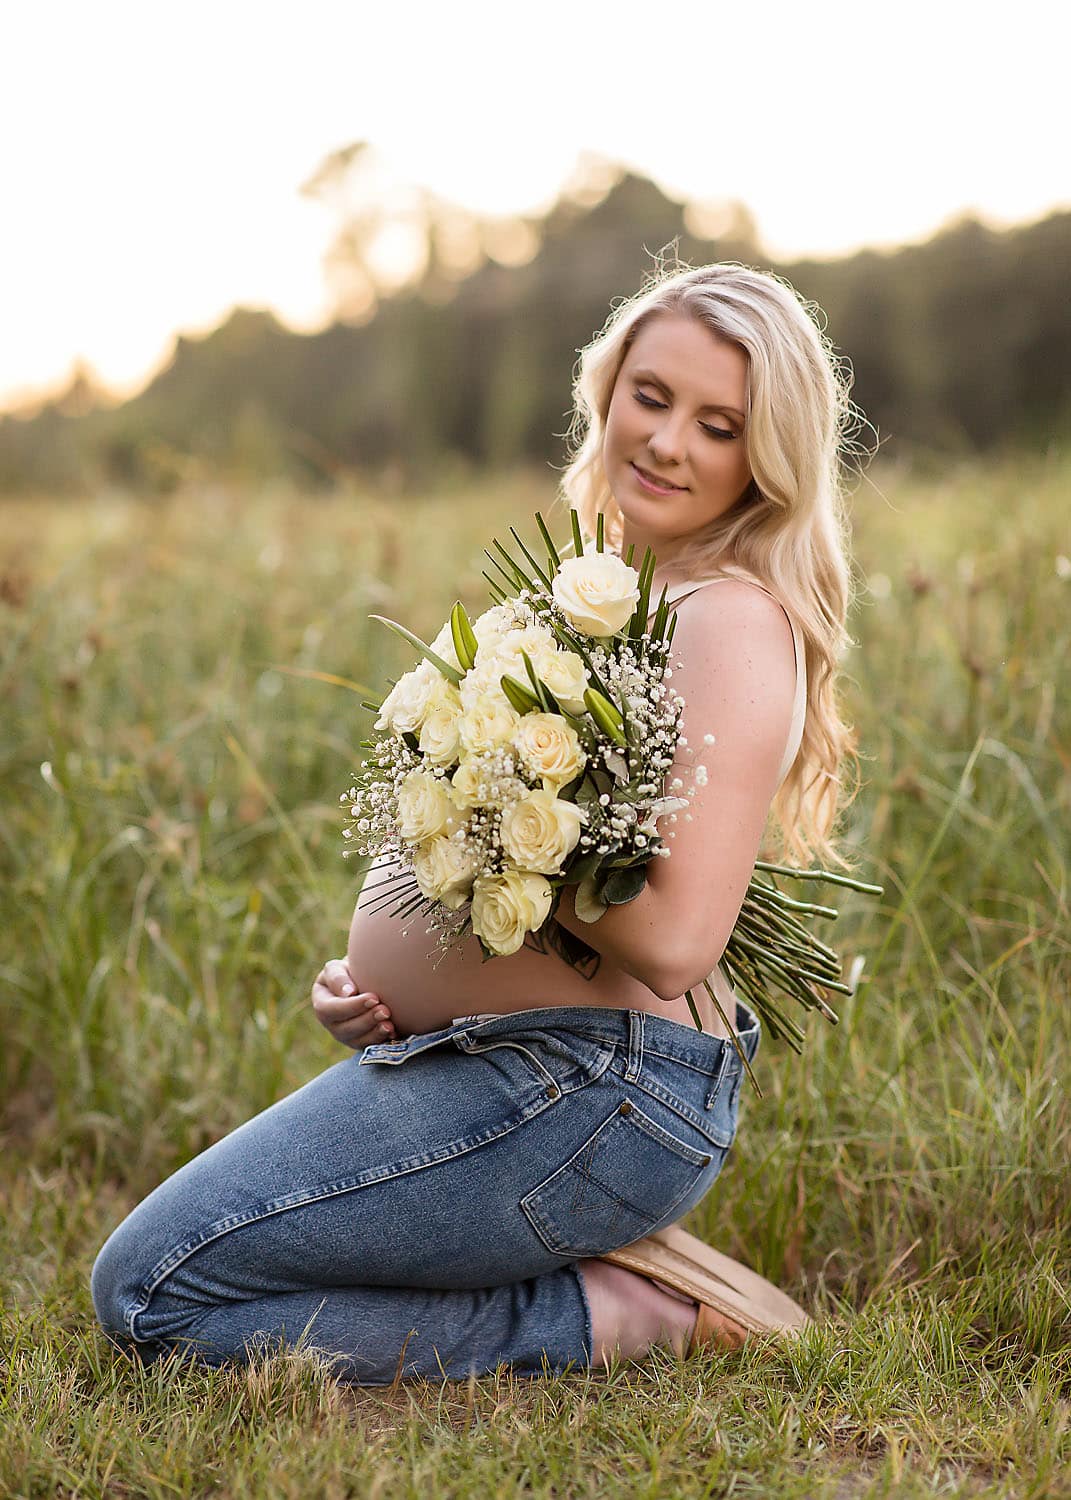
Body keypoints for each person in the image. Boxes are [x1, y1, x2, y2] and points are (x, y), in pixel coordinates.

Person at [91, 258, 862, 1385]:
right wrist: (393, 978)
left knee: (149, 1294)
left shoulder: (731, 617)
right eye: (651, 398)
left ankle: (611, 1311)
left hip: (602, 1093)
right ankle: (536, 1248)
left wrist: (503, 813)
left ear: (765, 459)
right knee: (160, 1279)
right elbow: (537, 895)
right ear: (607, 393)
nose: (667, 442)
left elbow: (679, 939)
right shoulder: (603, 594)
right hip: (498, 1060)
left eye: (720, 425)